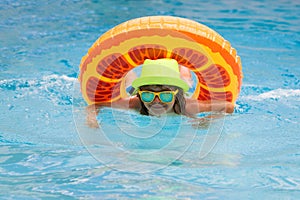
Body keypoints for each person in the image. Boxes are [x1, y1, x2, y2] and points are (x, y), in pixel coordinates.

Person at [86, 59, 234, 128]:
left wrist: (207, 120)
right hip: (139, 87)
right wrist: (91, 119)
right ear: (140, 95)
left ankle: (182, 65)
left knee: (186, 82)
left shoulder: (188, 106)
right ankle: (129, 69)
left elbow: (228, 107)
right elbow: (95, 105)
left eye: (165, 96)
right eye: (148, 96)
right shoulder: (135, 102)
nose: (156, 101)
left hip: (178, 86)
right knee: (130, 81)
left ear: (176, 95)